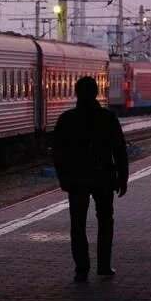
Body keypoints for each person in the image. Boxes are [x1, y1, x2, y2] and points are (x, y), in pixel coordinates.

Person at [53, 76, 129, 282]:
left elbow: (57, 152)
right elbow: (120, 150)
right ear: (97, 93)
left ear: (76, 93)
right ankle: (103, 266)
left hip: (77, 178)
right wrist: (123, 178)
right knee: (105, 221)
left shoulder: (67, 119)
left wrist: (63, 178)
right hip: (103, 176)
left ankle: (81, 269)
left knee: (77, 224)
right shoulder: (107, 117)